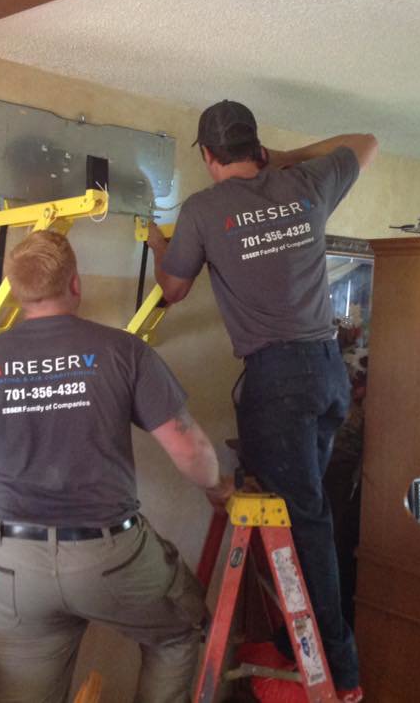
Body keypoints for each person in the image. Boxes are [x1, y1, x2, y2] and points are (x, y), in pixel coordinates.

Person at [0, 230, 233, 703]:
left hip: (14, 567)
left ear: (17, 294)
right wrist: (216, 485)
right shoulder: (124, 351)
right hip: (110, 557)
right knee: (178, 632)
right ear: (76, 284)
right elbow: (189, 448)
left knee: (20, 694)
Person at [147, 100, 378, 702]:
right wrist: (287, 158)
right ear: (255, 146)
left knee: (306, 525)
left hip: (277, 382)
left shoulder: (202, 210)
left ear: (206, 156)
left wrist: (154, 240)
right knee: (298, 511)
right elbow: (366, 138)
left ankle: (342, 675)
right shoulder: (304, 183)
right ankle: (286, 639)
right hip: (329, 373)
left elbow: (171, 292)